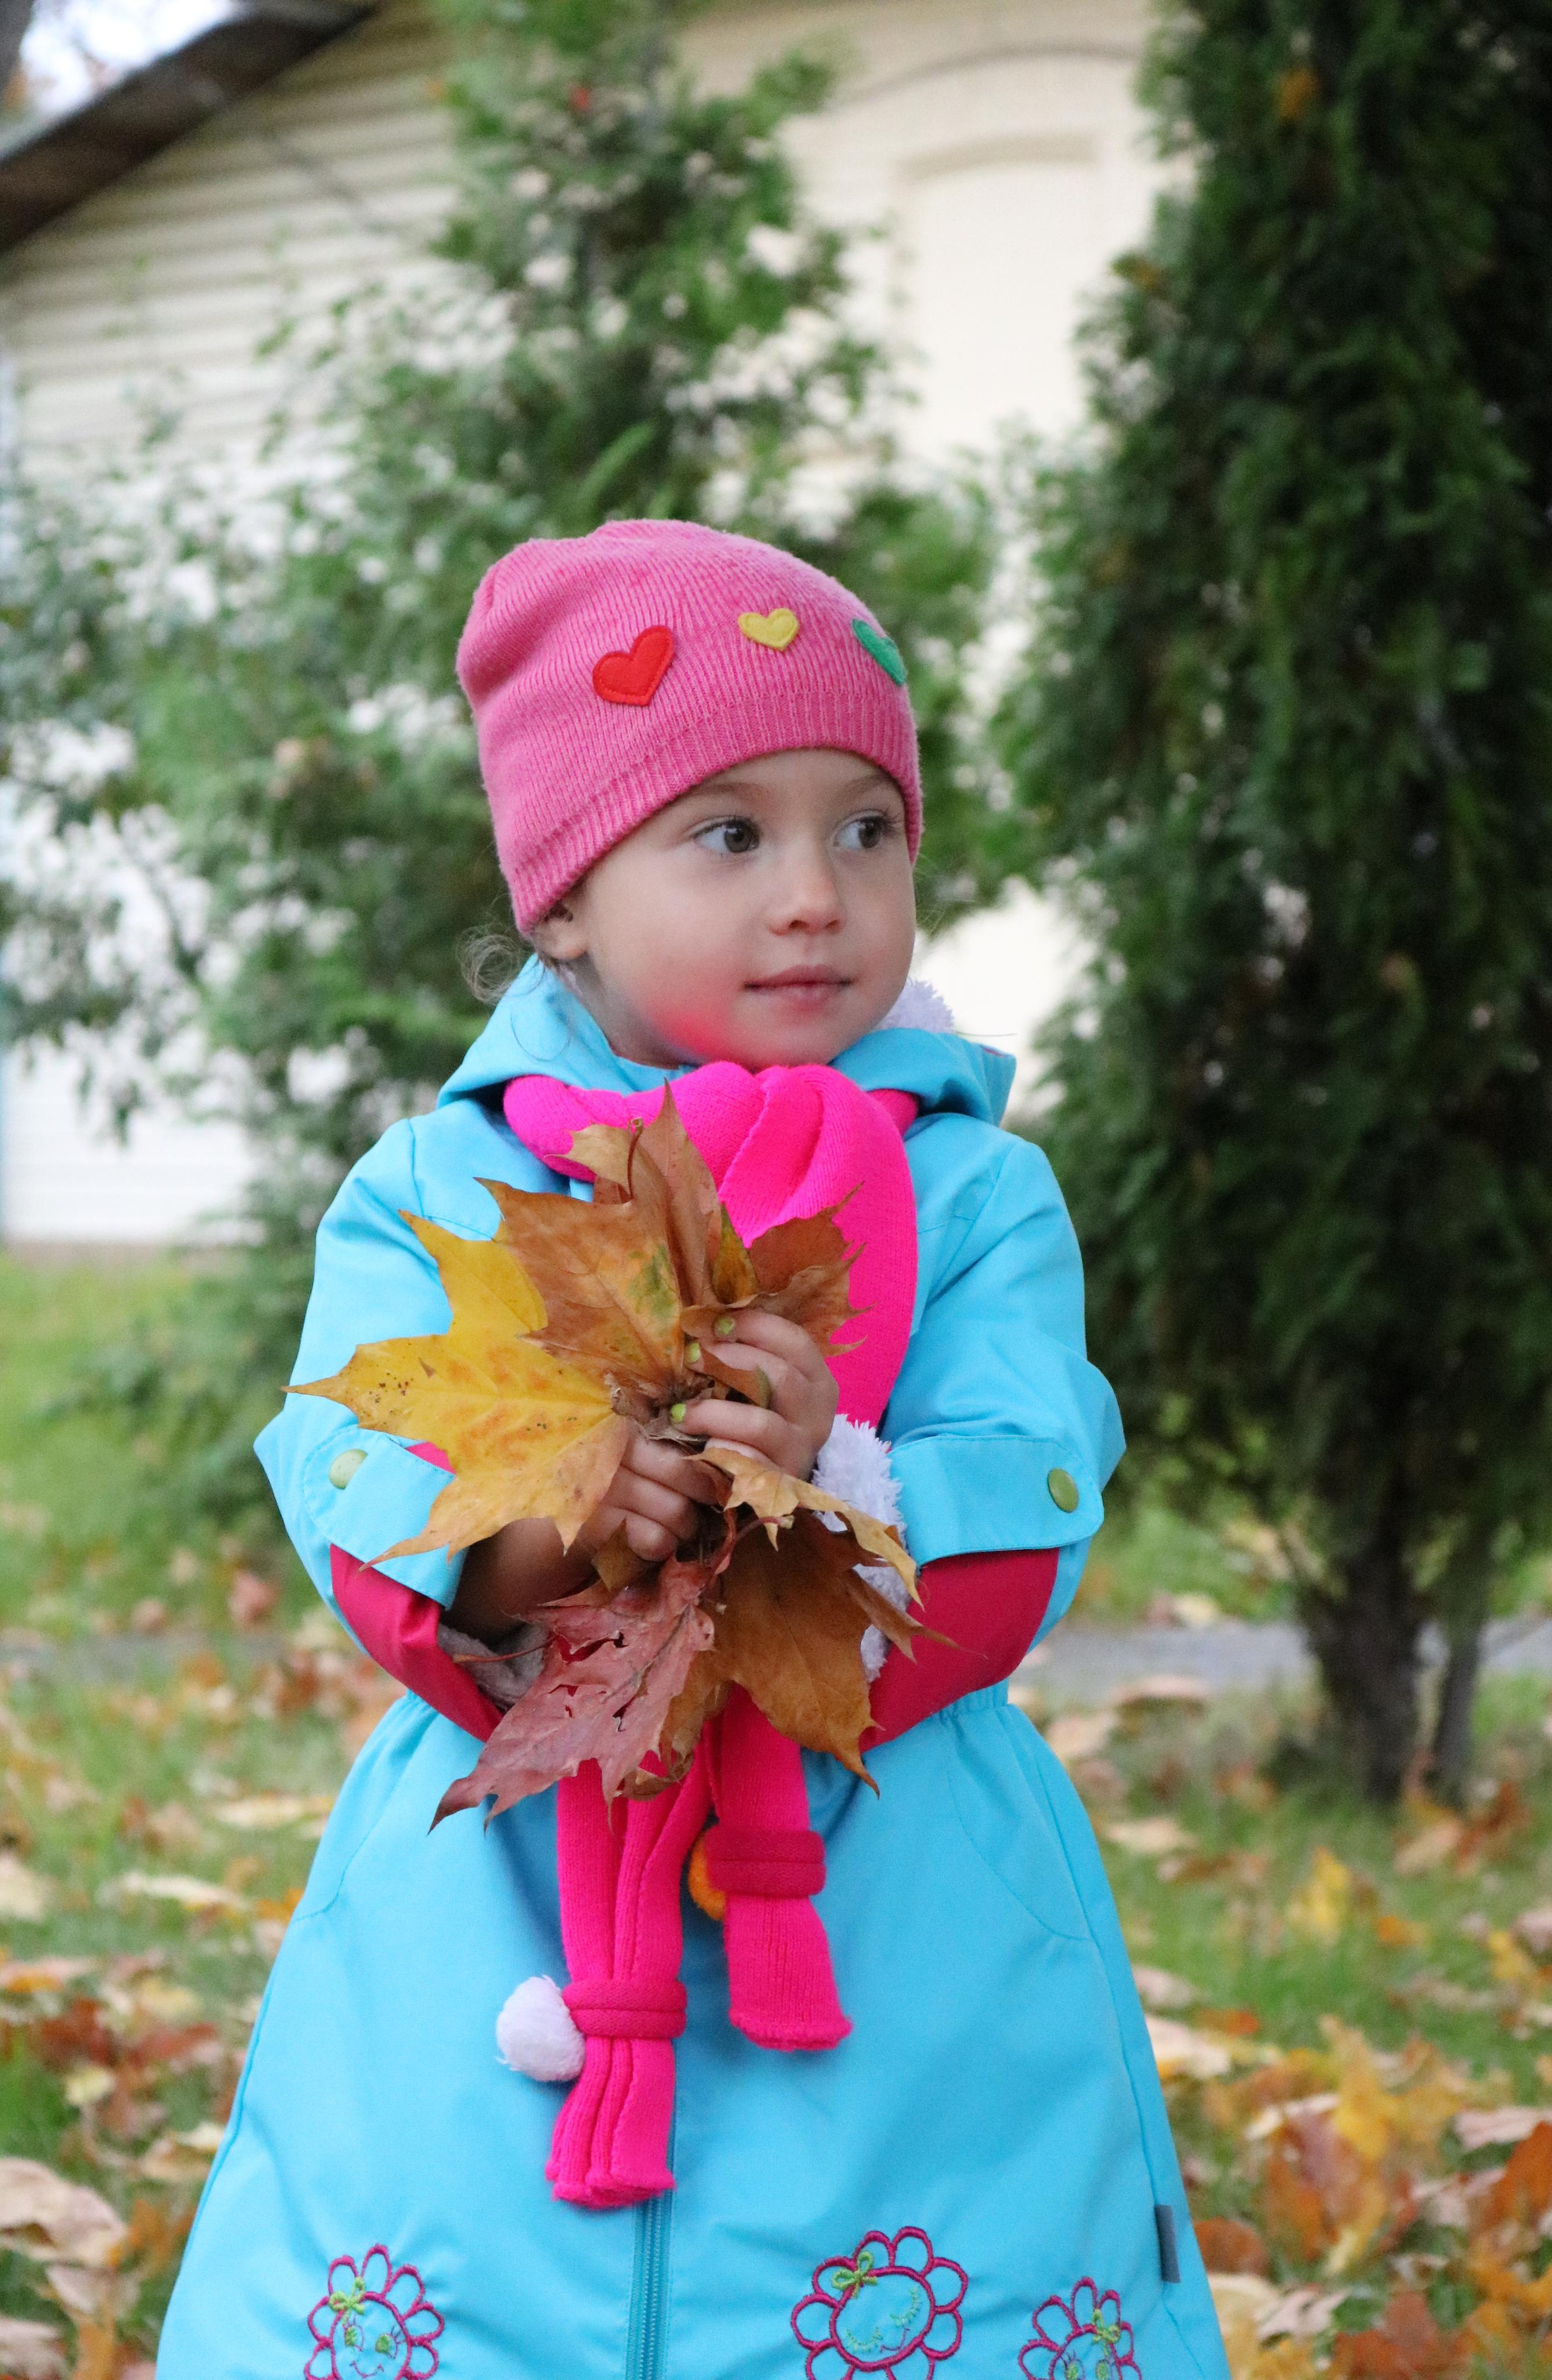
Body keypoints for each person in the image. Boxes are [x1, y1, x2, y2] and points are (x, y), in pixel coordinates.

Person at [157, 520, 1230, 2380]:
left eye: (864, 829)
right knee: (465, 2287)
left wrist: (846, 1477)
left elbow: (1026, 1498)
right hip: (501, 1892)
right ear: (567, 896)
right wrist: (542, 1541)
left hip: (898, 1893)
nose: (815, 892)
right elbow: (364, 1478)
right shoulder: (443, 1190)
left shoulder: (975, 1193)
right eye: (729, 834)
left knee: (920, 2283)